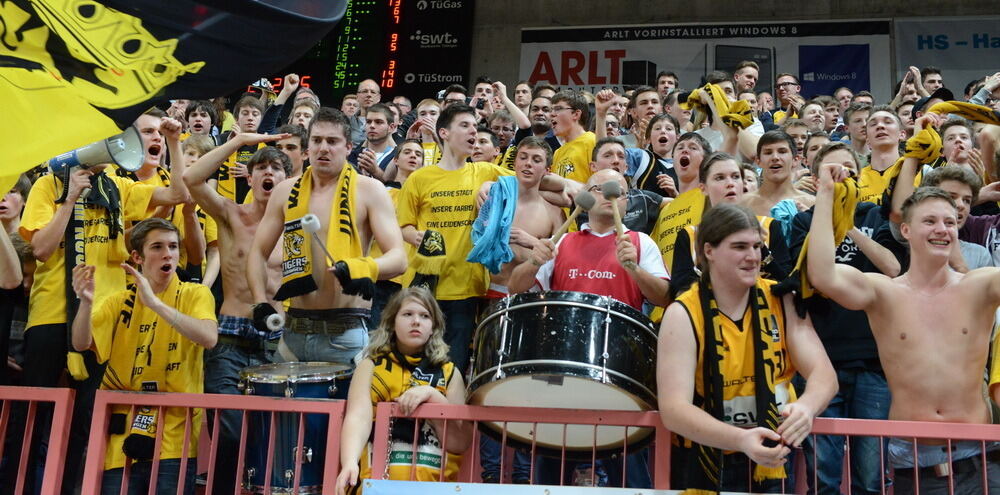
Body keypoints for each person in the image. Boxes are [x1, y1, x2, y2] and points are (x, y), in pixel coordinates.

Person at [4, 113, 189, 494]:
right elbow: (40, 249)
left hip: (101, 321)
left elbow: (178, 195)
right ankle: (14, 486)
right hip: (51, 316)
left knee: (85, 422)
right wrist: (70, 198)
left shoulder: (118, 187)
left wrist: (174, 144)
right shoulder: (47, 184)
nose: (116, 147)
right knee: (32, 416)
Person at [809, 160, 1000, 491]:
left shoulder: (981, 285)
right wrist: (826, 194)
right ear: (906, 230)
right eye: (930, 221)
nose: (943, 229)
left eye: (950, 222)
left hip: (980, 457)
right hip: (914, 463)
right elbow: (823, 275)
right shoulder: (884, 292)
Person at [658, 203, 836, 493]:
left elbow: (824, 375)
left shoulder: (781, 298)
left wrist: (807, 406)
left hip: (772, 453)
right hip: (707, 457)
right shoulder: (682, 312)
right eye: (740, 246)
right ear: (709, 251)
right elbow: (674, 409)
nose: (753, 257)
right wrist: (740, 439)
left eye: (757, 246)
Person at [248, 107, 407, 366]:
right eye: (317, 140)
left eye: (332, 141)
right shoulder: (284, 192)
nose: (323, 148)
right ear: (307, 147)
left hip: (345, 334)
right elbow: (258, 252)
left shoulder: (370, 190)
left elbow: (399, 258)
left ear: (348, 147)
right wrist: (258, 301)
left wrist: (364, 268)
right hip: (294, 331)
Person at [71, 218, 217, 494]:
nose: (168, 254)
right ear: (137, 257)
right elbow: (81, 343)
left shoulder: (195, 293)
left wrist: (155, 303)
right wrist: (86, 303)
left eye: (173, 247)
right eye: (157, 247)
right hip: (120, 437)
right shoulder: (119, 299)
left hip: (175, 437)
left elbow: (209, 338)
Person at [788, 142, 902, 494]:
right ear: (818, 177)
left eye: (848, 171)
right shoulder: (802, 220)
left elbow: (893, 267)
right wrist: (827, 206)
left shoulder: (872, 215)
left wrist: (847, 221)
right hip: (822, 361)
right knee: (824, 475)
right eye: (832, 172)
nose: (841, 178)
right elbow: (806, 279)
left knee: (872, 477)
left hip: (873, 360)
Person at [183, 132, 292, 493]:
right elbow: (191, 178)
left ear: (286, 179)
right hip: (229, 338)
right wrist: (240, 141)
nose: (268, 172)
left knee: (267, 436)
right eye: (260, 167)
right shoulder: (231, 214)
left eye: (276, 168)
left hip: (274, 343)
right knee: (229, 431)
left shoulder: (297, 225)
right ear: (250, 177)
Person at [335, 287, 472, 494]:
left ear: (434, 326)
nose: (416, 321)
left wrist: (432, 396)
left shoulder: (449, 373)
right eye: (407, 314)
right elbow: (357, 418)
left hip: (434, 489)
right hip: (374, 486)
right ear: (392, 322)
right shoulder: (370, 366)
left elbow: (459, 442)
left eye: (425, 316)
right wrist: (349, 462)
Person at [670, 152, 791, 299]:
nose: (730, 183)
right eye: (720, 178)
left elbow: (786, 285)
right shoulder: (689, 235)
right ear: (703, 188)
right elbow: (680, 290)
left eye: (735, 177)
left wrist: (761, 249)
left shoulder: (769, 226)